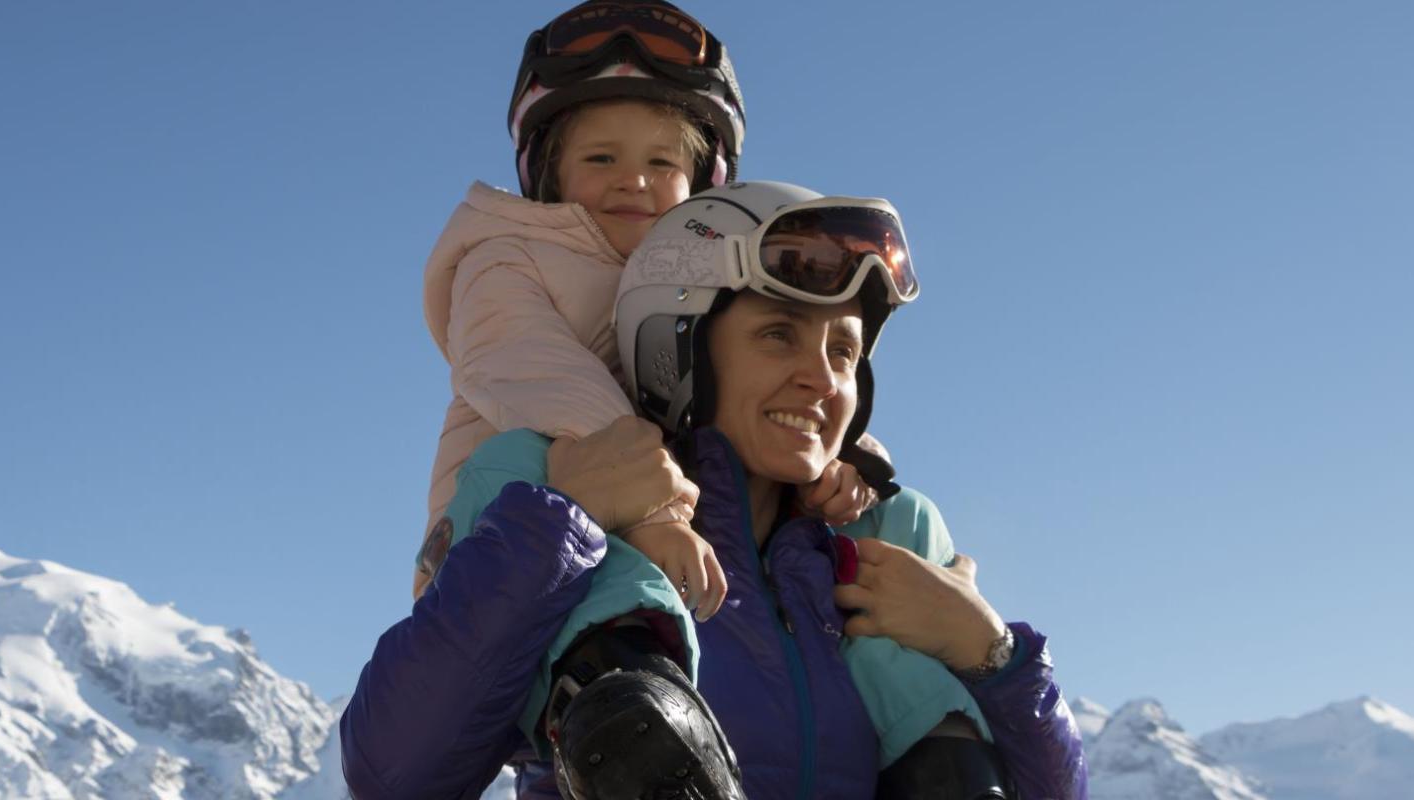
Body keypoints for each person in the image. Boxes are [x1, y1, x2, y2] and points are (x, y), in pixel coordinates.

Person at [346, 182, 1088, 799]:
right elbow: (394, 772)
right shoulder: (539, 478)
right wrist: (561, 522)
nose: (822, 379)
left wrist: (991, 654)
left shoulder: (876, 546)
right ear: (678, 348)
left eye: (843, 351)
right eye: (778, 335)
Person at [414, 0, 891, 616]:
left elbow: (761, 380)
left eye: (661, 162)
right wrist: (653, 507)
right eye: (601, 159)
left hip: (656, 519)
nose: (633, 181)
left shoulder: (698, 284)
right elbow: (537, 368)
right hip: (501, 538)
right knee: (546, 474)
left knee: (880, 531)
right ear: (550, 175)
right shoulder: (507, 259)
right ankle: (619, 675)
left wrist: (845, 452)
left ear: (702, 186)